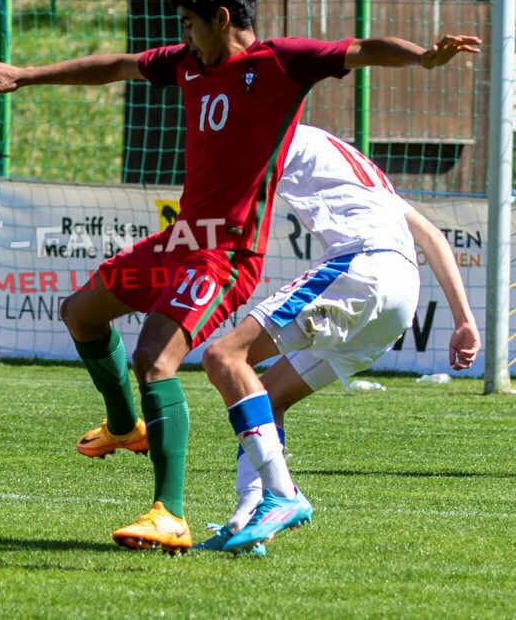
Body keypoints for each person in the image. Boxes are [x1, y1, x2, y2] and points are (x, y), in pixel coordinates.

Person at [0, 0, 481, 553]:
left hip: (223, 255)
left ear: (222, 16)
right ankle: (129, 428)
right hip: (180, 239)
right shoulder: (187, 64)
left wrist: (422, 57)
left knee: (159, 358)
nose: (182, 36)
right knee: (81, 312)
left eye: (188, 22)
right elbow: (117, 66)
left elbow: (361, 48)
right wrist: (28, 75)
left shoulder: (280, 62)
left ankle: (169, 513)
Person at [193, 124, 481, 554]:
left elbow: (238, 212)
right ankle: (249, 522)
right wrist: (464, 319)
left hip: (362, 268)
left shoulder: (268, 132)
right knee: (267, 397)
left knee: (223, 356)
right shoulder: (362, 168)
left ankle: (283, 495)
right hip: (400, 293)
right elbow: (433, 237)